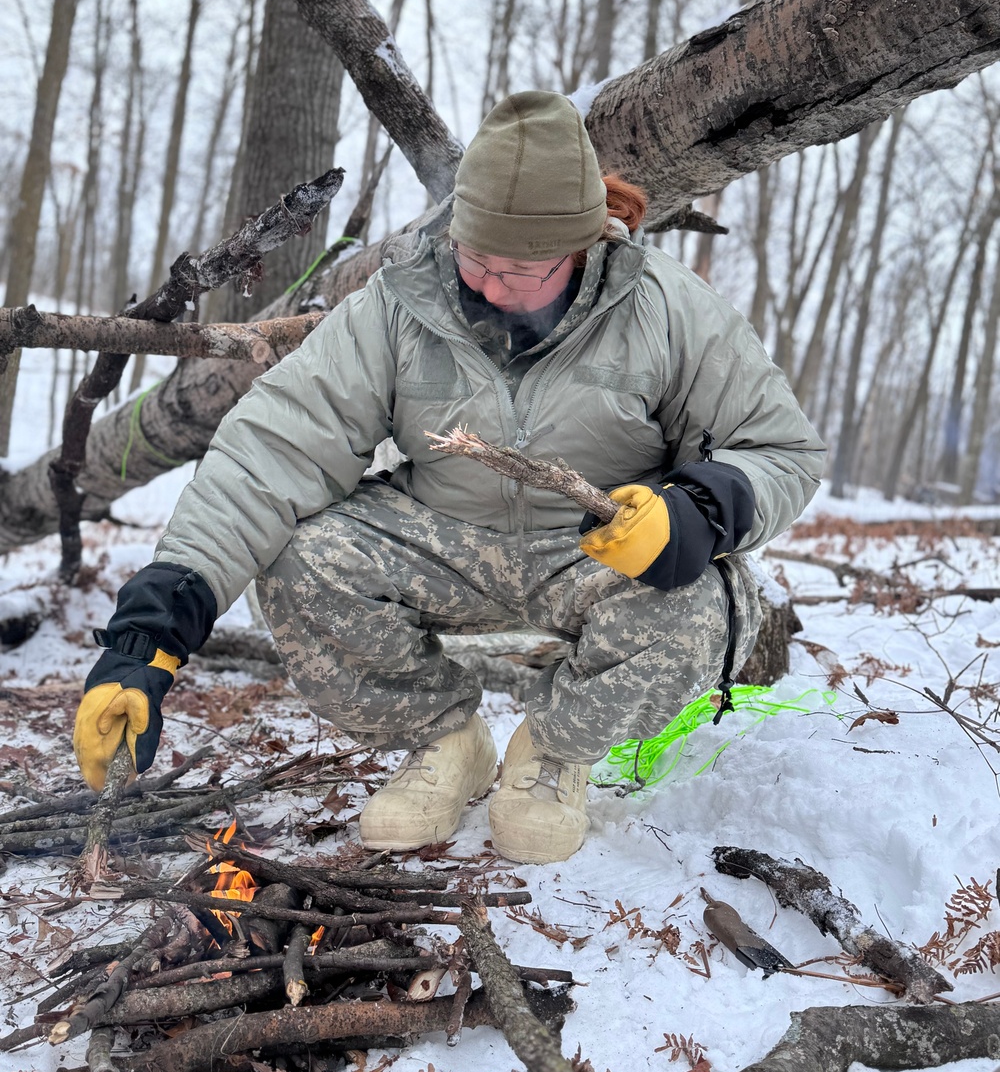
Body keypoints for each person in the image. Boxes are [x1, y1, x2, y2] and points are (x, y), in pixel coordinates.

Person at [72, 91, 825, 865]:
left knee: (703, 601)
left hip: (599, 550)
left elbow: (781, 450)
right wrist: (148, 637)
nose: (493, 286)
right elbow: (271, 454)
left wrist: (692, 514)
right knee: (303, 561)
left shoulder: (666, 308)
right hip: (442, 536)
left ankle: (554, 751)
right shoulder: (400, 305)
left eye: (521, 270)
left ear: (577, 248)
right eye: (477, 258)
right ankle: (445, 743)